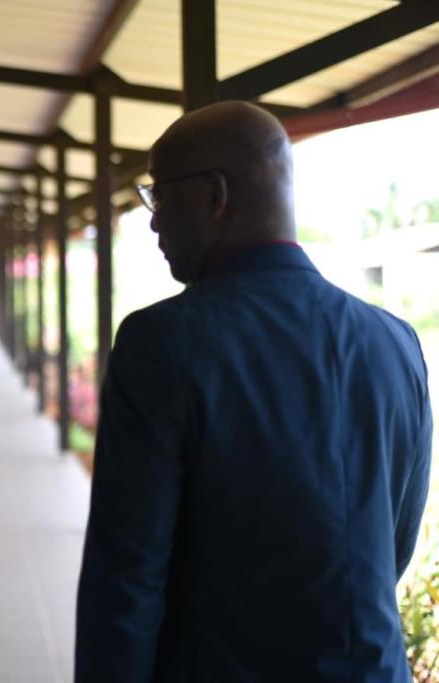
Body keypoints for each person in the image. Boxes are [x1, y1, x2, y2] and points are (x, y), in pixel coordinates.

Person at [75, 101, 432, 682]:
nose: (154, 222)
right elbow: (392, 544)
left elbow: (127, 581)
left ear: (215, 195)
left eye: (160, 196)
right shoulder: (396, 342)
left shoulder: (161, 343)